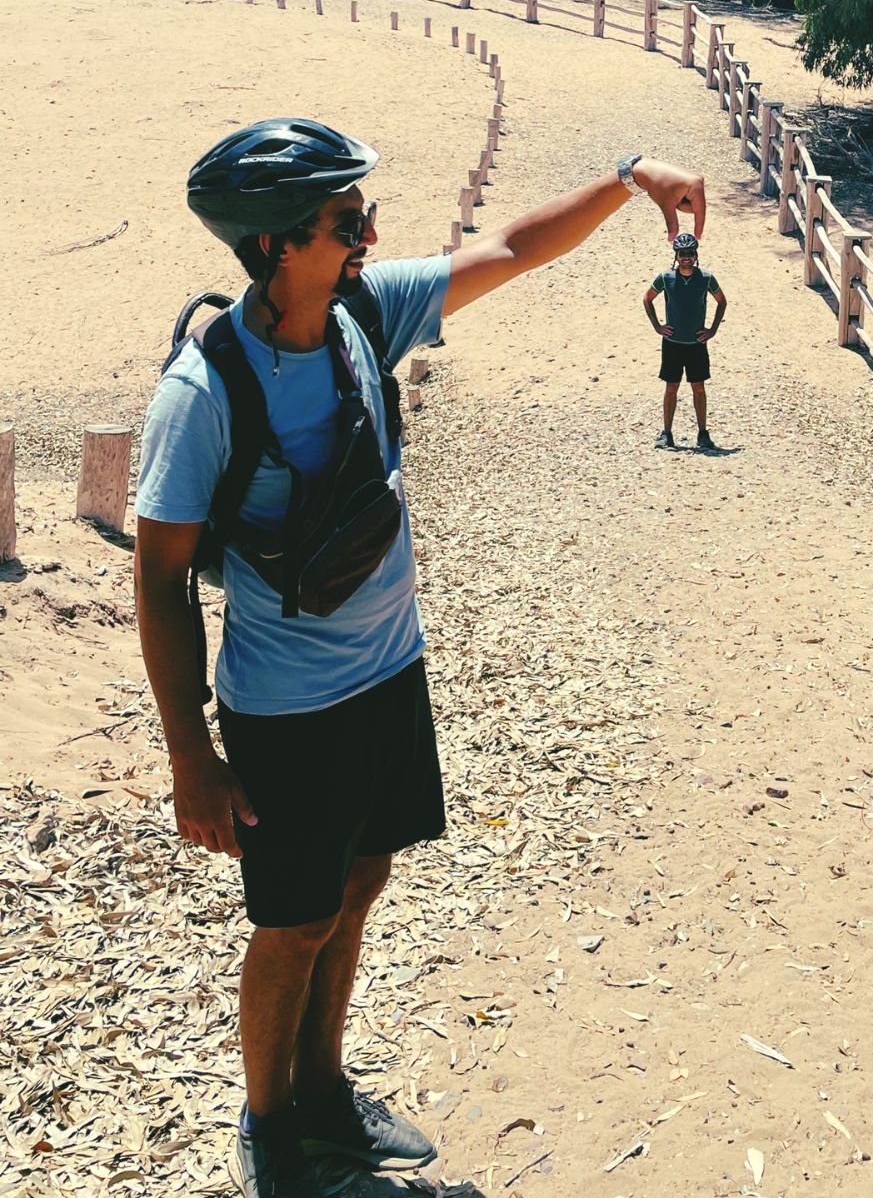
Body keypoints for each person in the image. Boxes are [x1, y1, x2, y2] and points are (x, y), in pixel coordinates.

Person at [133, 121, 704, 1198]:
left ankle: (325, 1091)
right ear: (273, 246)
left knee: (362, 878)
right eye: (348, 221)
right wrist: (191, 758)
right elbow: (159, 580)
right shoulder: (204, 395)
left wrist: (629, 179)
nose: (370, 232)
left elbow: (515, 250)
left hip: (389, 672)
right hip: (287, 709)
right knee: (291, 921)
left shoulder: (360, 314)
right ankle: (271, 1131)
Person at [644, 231, 726, 451]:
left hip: (697, 345)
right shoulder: (665, 278)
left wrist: (713, 330)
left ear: (695, 254)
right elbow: (647, 298)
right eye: (682, 253)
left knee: (698, 387)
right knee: (671, 387)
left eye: (690, 253)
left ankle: (702, 434)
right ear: (676, 255)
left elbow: (722, 301)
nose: (686, 257)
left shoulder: (706, 278)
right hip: (672, 344)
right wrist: (657, 326)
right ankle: (667, 433)